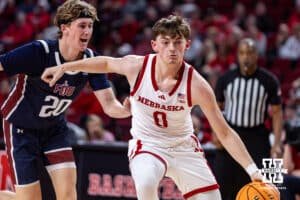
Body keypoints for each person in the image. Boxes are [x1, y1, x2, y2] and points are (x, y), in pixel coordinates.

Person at [41, 15, 263, 200]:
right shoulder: (137, 66)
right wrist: (66, 66)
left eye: (177, 42)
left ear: (187, 45)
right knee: (146, 182)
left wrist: (253, 171)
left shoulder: (197, 85)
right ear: (155, 45)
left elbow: (224, 131)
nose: (172, 48)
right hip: (147, 144)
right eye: (165, 42)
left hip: (183, 147)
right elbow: (105, 63)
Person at [0, 1, 130, 200]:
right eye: (82, 25)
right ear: (64, 28)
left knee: (69, 196)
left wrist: (126, 110)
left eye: (90, 26)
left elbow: (110, 105)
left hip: (54, 129)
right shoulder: (39, 52)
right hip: (20, 128)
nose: (87, 31)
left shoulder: (90, 60)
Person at [214, 38, 283, 200]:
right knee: (223, 183)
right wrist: (216, 132)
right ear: (238, 55)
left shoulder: (269, 80)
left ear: (256, 55)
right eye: (242, 53)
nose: (246, 57)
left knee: (268, 184)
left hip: (258, 136)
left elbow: (278, 113)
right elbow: (216, 109)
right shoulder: (226, 79)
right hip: (230, 134)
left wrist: (277, 143)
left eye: (250, 53)